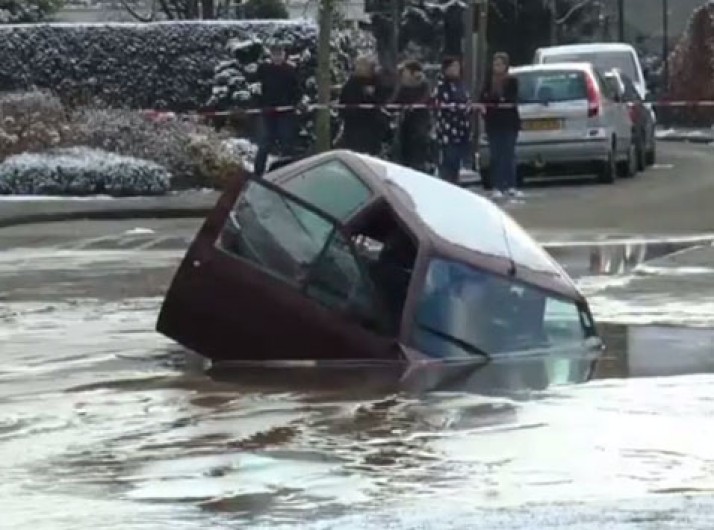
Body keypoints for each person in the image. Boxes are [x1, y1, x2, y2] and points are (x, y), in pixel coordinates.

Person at [253, 43, 301, 176]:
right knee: (265, 143)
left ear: (284, 55)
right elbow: (258, 88)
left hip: (285, 112)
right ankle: (258, 173)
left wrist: (294, 103)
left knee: (287, 143)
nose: (277, 57)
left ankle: (287, 172)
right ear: (271, 55)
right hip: (268, 112)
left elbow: (297, 89)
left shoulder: (290, 70)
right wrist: (261, 104)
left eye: (280, 54)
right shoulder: (264, 69)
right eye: (275, 54)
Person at [480, 52, 522, 199]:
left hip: (509, 123)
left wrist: (499, 100)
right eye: (495, 64)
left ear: (506, 66)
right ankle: (497, 186)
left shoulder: (512, 81)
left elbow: (511, 99)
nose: (497, 67)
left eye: (500, 64)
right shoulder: (488, 82)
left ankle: (511, 185)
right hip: (493, 124)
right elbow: (484, 98)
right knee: (496, 156)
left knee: (508, 154)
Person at [338, 56, 388, 155]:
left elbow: (382, 100)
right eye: (358, 65)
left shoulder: (377, 82)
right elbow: (344, 104)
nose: (359, 68)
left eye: (363, 65)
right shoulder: (352, 84)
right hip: (354, 129)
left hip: (373, 129)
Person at [433, 56, 472, 184]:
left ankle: (455, 181)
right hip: (447, 131)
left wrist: (466, 108)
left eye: (458, 66)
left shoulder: (461, 85)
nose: (457, 69)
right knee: (448, 160)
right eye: (453, 67)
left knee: (456, 162)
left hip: (461, 129)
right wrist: (458, 108)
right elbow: (442, 105)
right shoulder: (441, 86)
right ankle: (447, 182)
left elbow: (467, 102)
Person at [393, 60, 432, 172]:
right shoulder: (403, 86)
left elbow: (425, 99)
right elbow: (395, 101)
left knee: (417, 155)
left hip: (419, 126)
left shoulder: (423, 85)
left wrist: (412, 106)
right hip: (405, 126)